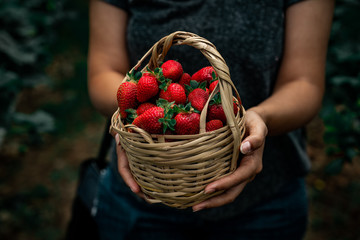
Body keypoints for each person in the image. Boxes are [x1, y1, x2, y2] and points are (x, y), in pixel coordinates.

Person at [87, 0, 334, 239]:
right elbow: (102, 71)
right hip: (142, 190)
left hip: (265, 202)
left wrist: (259, 118)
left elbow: (305, 82)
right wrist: (131, 123)